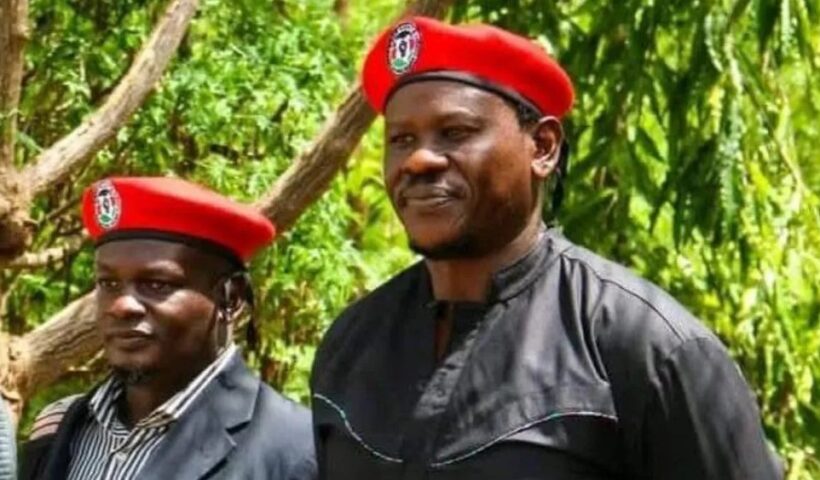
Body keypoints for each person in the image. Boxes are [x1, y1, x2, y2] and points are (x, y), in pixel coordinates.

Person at [310, 16, 783, 480]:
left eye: (455, 132)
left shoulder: (649, 351)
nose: (418, 159)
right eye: (401, 139)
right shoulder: (351, 343)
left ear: (543, 147)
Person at [21, 177, 316, 480]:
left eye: (157, 284)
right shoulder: (57, 429)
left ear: (231, 298)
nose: (122, 305)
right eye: (108, 283)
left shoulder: (296, 450)